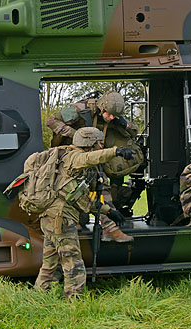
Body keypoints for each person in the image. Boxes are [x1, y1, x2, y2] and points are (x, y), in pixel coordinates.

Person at [35, 127, 134, 298]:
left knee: (50, 262)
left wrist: (108, 212)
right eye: (99, 142)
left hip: (50, 217)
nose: (101, 145)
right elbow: (90, 158)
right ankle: (75, 301)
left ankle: (39, 296)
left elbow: (83, 198)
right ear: (90, 143)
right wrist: (115, 151)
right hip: (61, 218)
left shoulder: (68, 160)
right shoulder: (76, 157)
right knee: (73, 261)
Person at [47, 91, 141, 242]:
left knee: (100, 184)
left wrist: (123, 123)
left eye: (114, 116)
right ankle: (76, 223)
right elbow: (52, 121)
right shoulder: (80, 109)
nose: (111, 118)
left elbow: (134, 131)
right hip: (70, 156)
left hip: (91, 156)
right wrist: (78, 135)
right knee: (70, 191)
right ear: (102, 107)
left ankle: (109, 228)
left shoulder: (113, 115)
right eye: (109, 115)